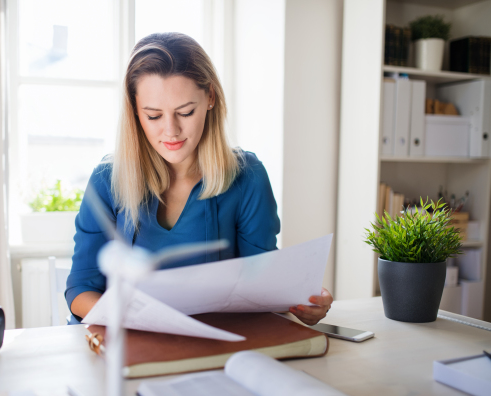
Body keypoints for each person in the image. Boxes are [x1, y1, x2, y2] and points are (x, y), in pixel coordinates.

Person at [64, 32, 333, 326]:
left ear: (210, 98)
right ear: (135, 112)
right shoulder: (108, 180)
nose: (171, 131)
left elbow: (261, 288)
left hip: (209, 348)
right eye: (153, 116)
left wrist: (302, 302)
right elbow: (80, 289)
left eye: (185, 112)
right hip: (123, 344)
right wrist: (143, 322)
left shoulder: (247, 177)